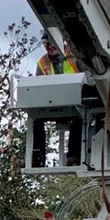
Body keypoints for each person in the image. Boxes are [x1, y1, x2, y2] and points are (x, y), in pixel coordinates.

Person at [33, 35, 83, 167]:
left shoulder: (76, 57)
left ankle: (73, 156)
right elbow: (37, 87)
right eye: (46, 43)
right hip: (51, 105)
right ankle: (37, 157)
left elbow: (88, 78)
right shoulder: (42, 63)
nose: (49, 46)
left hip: (74, 104)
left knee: (80, 117)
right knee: (36, 119)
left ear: (63, 42)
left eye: (53, 43)